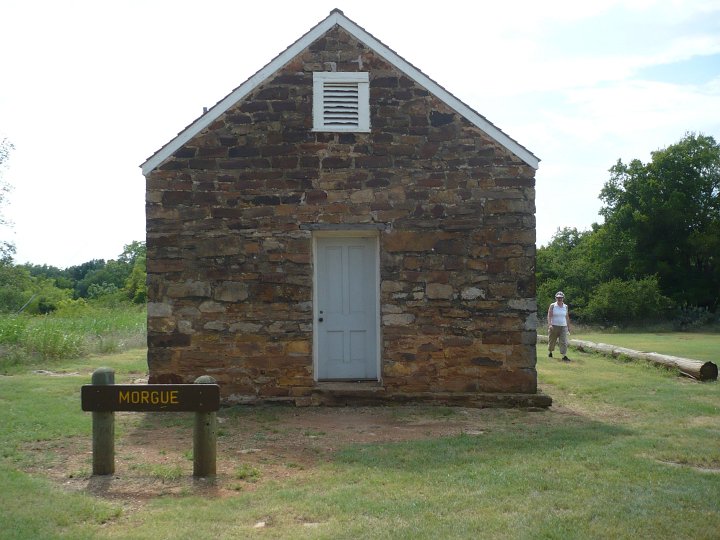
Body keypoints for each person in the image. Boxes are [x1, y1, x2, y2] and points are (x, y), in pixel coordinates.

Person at [547, 291, 571, 362]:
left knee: (563, 341)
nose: (559, 299)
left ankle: (564, 355)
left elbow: (567, 317)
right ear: (556, 298)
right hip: (554, 325)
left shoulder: (565, 306)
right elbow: (549, 315)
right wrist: (550, 324)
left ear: (563, 298)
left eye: (560, 298)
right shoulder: (552, 305)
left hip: (563, 326)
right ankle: (550, 352)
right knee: (552, 340)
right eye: (558, 298)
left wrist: (568, 327)